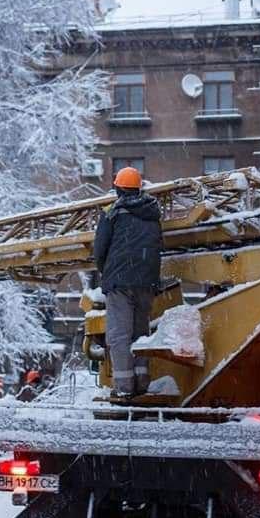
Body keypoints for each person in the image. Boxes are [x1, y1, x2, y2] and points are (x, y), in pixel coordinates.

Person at [93, 166, 163, 398]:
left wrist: (107, 273)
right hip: (147, 281)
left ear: (118, 189)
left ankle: (124, 387)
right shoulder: (152, 213)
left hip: (120, 283)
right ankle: (142, 382)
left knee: (119, 335)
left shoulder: (112, 212)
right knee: (141, 333)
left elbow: (100, 249)